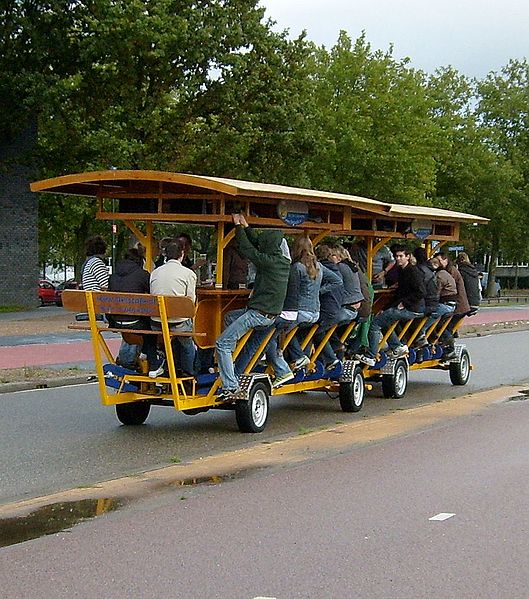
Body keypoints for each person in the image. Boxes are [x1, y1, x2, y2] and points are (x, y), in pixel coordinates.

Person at [215, 214, 291, 397]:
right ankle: (231, 360)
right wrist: (246, 225)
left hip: (258, 314)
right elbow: (257, 242)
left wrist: (237, 227)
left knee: (222, 343)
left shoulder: (268, 263)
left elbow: (248, 248)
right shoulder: (282, 261)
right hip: (269, 315)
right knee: (229, 317)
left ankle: (230, 386)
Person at [357, 246, 425, 366]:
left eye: (401, 256)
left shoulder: (413, 271)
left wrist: (404, 303)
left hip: (412, 308)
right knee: (384, 319)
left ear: (408, 257)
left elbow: (420, 292)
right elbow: (399, 294)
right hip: (409, 307)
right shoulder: (402, 271)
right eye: (396, 256)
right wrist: (384, 308)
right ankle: (397, 346)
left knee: (375, 324)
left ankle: (371, 355)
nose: (398, 259)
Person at [284, 236, 342, 370]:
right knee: (302, 334)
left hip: (300, 312)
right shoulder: (318, 265)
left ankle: (298, 358)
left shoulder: (297, 267)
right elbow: (337, 281)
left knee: (280, 329)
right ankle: (301, 361)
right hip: (315, 312)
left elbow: (292, 290)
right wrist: (319, 291)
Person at [149, 239, 197, 378]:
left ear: (165, 254)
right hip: (178, 324)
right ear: (182, 254)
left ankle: (171, 367)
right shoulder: (188, 274)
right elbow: (190, 304)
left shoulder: (155, 272)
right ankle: (188, 373)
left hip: (157, 323)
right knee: (188, 344)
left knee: (173, 339)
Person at [107, 247, 157, 370]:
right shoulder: (142, 275)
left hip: (116, 322)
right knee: (154, 329)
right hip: (135, 323)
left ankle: (139, 358)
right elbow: (153, 295)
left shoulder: (113, 277)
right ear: (140, 260)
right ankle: (154, 365)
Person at [413, 255, 456, 349]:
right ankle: (437, 337)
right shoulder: (445, 273)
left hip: (445, 304)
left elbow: (436, 292)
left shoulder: (439, 275)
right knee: (434, 319)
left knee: (424, 318)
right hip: (451, 304)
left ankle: (421, 336)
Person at [433, 252, 470, 357]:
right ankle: (446, 346)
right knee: (442, 325)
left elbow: (445, 288)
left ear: (446, 260)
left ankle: (450, 348)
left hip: (458, 305)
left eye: (440, 261)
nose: (438, 263)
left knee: (442, 325)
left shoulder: (449, 272)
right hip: (457, 304)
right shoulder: (448, 270)